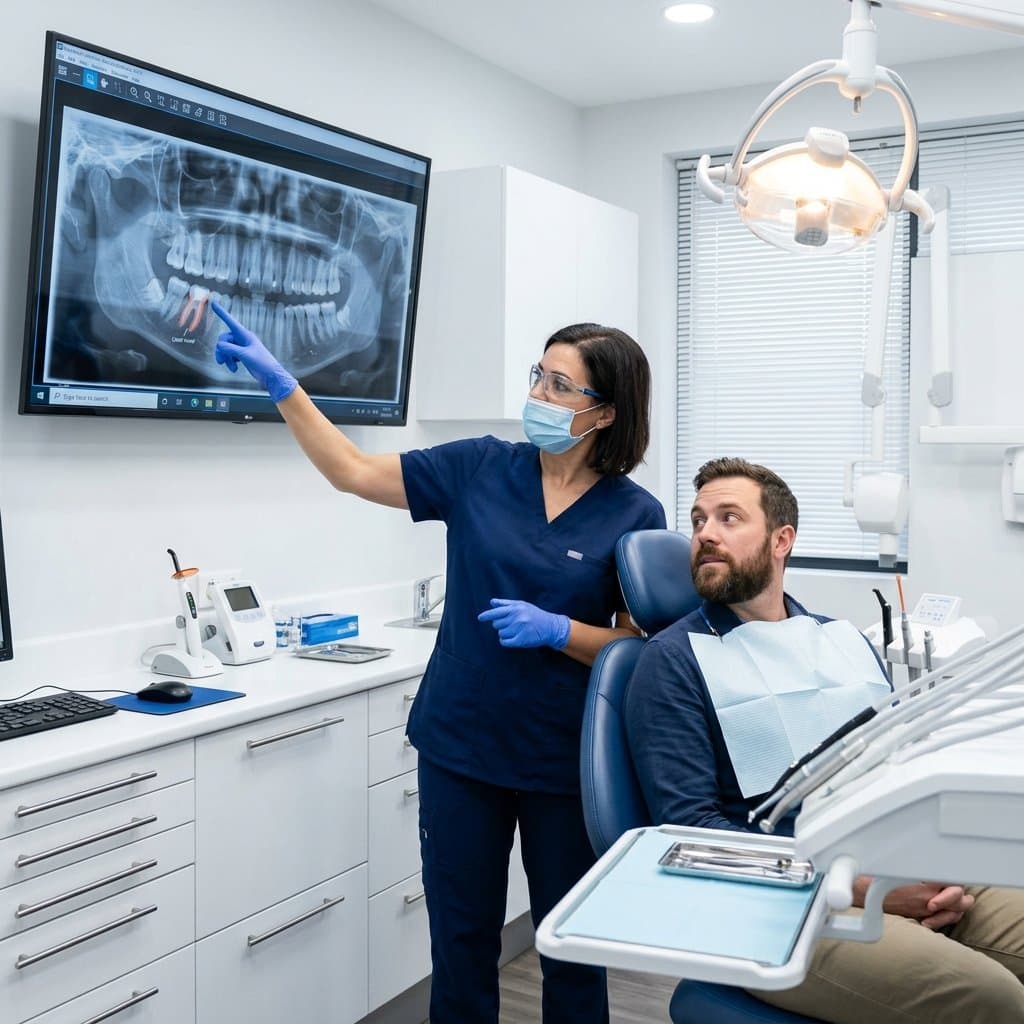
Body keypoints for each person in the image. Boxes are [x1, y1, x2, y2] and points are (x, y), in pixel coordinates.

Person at [210, 304, 666, 1024]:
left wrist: (560, 631)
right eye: (537, 377)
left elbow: (636, 650)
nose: (537, 398)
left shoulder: (636, 515)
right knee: (460, 945)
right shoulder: (479, 467)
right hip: (461, 750)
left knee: (572, 951)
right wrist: (283, 386)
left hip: (564, 764)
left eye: (558, 386)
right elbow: (353, 470)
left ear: (604, 413)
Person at [624, 457, 1024, 1024]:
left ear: (781, 540)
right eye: (698, 520)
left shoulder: (839, 641)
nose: (706, 534)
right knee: (993, 999)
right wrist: (864, 888)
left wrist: (934, 861)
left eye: (729, 517)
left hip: (891, 862)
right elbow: (692, 831)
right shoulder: (672, 662)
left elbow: (897, 764)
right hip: (774, 901)